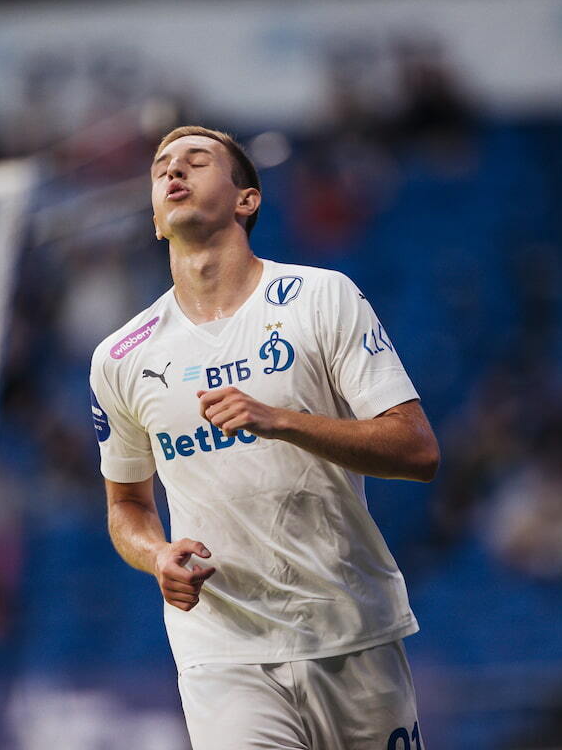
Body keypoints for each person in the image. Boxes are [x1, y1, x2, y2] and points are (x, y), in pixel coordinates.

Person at [89, 125, 439, 749]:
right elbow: (127, 507)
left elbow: (416, 450)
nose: (174, 173)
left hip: (350, 628)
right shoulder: (120, 357)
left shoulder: (321, 298)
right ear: (154, 217)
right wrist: (156, 555)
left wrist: (282, 420)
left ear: (246, 199)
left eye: (196, 162)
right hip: (223, 649)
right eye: (162, 169)